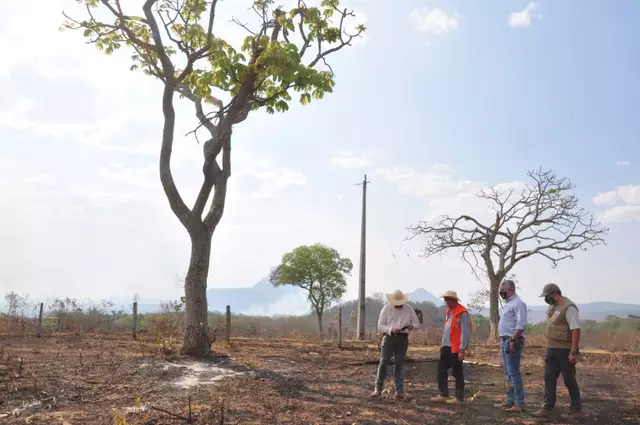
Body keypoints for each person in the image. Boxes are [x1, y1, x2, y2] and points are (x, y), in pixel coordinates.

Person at [533, 283, 584, 419]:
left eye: (547, 296)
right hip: (551, 348)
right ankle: (548, 407)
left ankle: (576, 410)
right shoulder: (553, 305)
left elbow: (575, 330)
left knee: (569, 379)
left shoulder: (569, 307)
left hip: (564, 350)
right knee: (549, 377)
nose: (546, 299)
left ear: (554, 293)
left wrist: (573, 352)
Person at [371, 289, 421, 401]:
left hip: (402, 338)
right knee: (383, 362)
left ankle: (399, 391)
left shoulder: (408, 309)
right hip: (389, 337)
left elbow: (417, 323)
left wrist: (411, 326)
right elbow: (380, 325)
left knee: (399, 363)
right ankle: (377, 388)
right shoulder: (386, 308)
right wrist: (391, 329)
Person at [431, 290, 472, 405]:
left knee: (457, 372)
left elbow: (465, 332)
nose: (446, 302)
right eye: (445, 299)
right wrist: (442, 345)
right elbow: (447, 330)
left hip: (456, 347)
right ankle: (443, 394)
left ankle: (459, 398)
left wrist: (462, 349)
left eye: (447, 299)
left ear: (453, 300)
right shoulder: (448, 312)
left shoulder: (462, 313)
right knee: (441, 370)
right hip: (446, 346)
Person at [494, 279, 528, 412]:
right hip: (505, 340)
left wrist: (512, 340)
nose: (500, 293)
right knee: (508, 373)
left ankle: (519, 403)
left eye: (502, 290)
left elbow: (521, 324)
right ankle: (509, 401)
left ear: (509, 290)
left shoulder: (518, 303)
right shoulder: (508, 304)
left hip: (513, 341)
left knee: (513, 373)